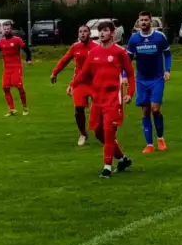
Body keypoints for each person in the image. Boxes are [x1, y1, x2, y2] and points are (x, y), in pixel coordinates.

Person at [72, 21, 135, 178]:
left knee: (108, 131)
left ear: (112, 33)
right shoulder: (93, 53)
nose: (101, 33)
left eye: (105, 30)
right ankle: (122, 159)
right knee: (98, 132)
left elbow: (131, 73)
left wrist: (130, 93)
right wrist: (73, 85)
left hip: (113, 97)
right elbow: (84, 72)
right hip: (97, 97)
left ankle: (107, 167)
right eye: (100, 30)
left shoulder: (120, 52)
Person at [125, 11, 172, 154]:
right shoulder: (134, 39)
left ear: (151, 22)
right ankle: (149, 144)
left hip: (157, 78)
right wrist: (124, 74)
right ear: (138, 23)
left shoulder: (159, 37)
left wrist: (167, 70)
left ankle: (160, 138)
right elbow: (127, 59)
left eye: (146, 20)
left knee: (155, 109)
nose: (143, 22)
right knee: (145, 111)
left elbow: (167, 54)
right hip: (141, 80)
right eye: (141, 20)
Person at [50, 25, 97, 146]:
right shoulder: (75, 47)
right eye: (80, 32)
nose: (82, 34)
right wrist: (55, 72)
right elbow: (64, 60)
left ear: (89, 33)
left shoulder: (96, 47)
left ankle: (102, 131)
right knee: (78, 109)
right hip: (79, 82)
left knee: (99, 108)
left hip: (94, 81)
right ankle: (83, 133)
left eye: (85, 31)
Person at [0, 22, 32, 117]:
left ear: (11, 29)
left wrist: (28, 59)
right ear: (3, 30)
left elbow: (27, 49)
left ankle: (25, 107)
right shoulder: (2, 41)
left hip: (16, 67)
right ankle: (12, 109)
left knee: (19, 86)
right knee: (5, 88)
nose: (7, 30)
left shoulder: (17, 40)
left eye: (8, 29)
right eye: (5, 29)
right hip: (7, 68)